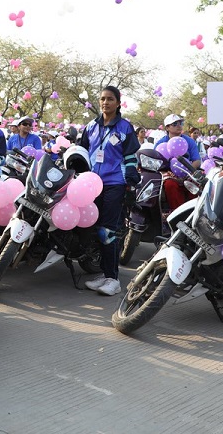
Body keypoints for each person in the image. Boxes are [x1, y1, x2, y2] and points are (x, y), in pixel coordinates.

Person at [80, 86, 140, 296]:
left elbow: (131, 155)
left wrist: (131, 178)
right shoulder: (90, 126)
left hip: (114, 184)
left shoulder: (125, 127)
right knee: (94, 229)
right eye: (103, 99)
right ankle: (104, 274)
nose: (105, 102)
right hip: (91, 184)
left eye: (110, 99)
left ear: (118, 103)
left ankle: (113, 279)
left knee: (108, 231)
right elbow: (81, 151)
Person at [156, 114, 202, 216]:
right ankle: (178, 215)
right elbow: (156, 163)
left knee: (196, 185)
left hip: (189, 172)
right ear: (167, 127)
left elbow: (197, 161)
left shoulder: (189, 141)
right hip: (169, 174)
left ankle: (194, 214)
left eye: (180, 123)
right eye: (175, 124)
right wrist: (167, 173)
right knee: (170, 185)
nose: (179, 126)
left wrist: (188, 172)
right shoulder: (160, 143)